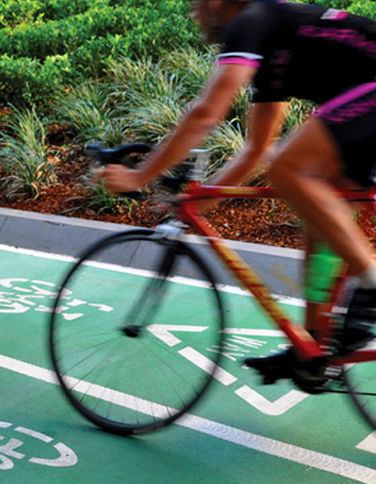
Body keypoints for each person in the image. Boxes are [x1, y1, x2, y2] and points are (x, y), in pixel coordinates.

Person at [100, 0, 376, 377]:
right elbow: (256, 148)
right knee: (322, 214)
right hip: (363, 102)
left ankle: (372, 279)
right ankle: (313, 346)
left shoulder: (251, 20)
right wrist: (204, 199)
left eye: (196, 4)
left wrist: (138, 176)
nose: (193, 13)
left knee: (289, 166)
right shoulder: (275, 43)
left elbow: (206, 114)